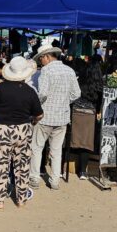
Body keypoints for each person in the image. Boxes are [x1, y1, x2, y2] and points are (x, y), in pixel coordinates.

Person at [0, 57, 44, 211]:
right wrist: (33, 122)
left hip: (2, 130)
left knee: (0, 166)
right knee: (22, 166)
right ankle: (21, 200)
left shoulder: (1, 89)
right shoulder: (30, 91)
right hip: (23, 130)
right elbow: (39, 114)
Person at [30, 44, 81, 190]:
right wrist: (64, 101)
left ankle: (34, 178)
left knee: (37, 147)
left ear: (46, 56)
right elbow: (76, 94)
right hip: (62, 117)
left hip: (45, 116)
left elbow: (43, 93)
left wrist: (35, 105)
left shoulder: (46, 71)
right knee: (56, 150)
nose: (41, 62)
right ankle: (54, 180)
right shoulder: (69, 70)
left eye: (41, 59)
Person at [71, 56, 103, 179]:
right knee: (86, 143)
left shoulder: (79, 80)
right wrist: (98, 111)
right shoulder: (99, 85)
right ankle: (83, 171)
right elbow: (99, 102)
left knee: (74, 139)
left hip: (76, 111)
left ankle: (68, 166)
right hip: (90, 113)